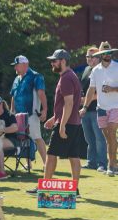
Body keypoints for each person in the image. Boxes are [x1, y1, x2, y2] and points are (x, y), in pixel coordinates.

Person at [28, 49, 85, 196]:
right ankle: (74, 189)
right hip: (74, 123)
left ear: (63, 61)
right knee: (74, 156)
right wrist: (55, 118)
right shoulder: (70, 75)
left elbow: (69, 103)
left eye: (55, 60)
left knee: (51, 154)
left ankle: (44, 187)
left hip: (67, 123)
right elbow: (67, 104)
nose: (52, 63)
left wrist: (62, 125)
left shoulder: (66, 78)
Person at [81, 41, 118, 176]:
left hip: (116, 107)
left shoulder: (117, 67)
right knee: (108, 137)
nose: (107, 55)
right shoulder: (95, 70)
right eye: (105, 53)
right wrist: (85, 107)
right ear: (101, 55)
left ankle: (111, 165)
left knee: (112, 132)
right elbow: (91, 90)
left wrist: (112, 89)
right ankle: (113, 162)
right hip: (101, 108)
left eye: (109, 52)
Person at [10, 55, 48, 164]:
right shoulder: (17, 78)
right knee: (23, 138)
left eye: (17, 65)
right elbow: (13, 95)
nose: (15, 68)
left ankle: (46, 163)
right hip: (18, 115)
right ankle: (28, 164)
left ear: (24, 64)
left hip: (31, 113)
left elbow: (41, 93)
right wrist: (11, 111)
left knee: (36, 137)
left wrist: (44, 110)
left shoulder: (36, 76)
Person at [77, 47, 107, 171]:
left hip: (98, 109)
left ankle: (102, 164)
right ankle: (91, 162)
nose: (89, 59)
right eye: (87, 56)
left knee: (99, 138)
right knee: (89, 138)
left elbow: (103, 91)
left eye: (92, 56)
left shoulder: (101, 70)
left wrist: (86, 100)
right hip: (85, 110)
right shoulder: (86, 70)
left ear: (99, 57)